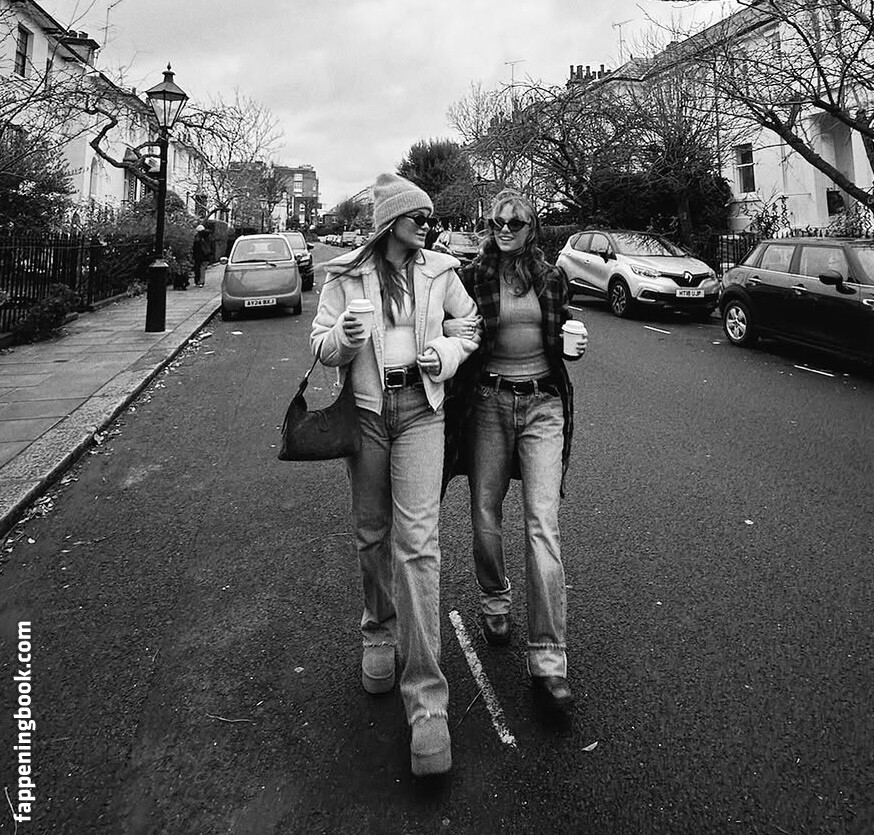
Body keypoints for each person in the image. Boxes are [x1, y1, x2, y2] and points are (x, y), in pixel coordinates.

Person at [310, 173, 480, 776]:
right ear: (391, 223)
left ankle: (427, 701)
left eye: (430, 217)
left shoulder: (441, 271)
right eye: (419, 217)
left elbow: (469, 324)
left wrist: (449, 354)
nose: (428, 225)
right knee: (371, 532)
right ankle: (378, 631)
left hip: (422, 412)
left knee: (419, 545)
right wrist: (343, 337)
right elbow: (320, 347)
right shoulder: (346, 275)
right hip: (365, 414)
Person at [443, 189, 586, 717]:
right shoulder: (472, 276)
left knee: (542, 524)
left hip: (543, 404)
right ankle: (494, 598)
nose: (504, 229)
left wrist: (575, 343)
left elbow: (563, 328)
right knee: (485, 511)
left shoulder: (551, 278)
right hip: (488, 402)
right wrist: (450, 331)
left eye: (515, 223)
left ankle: (548, 660)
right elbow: (451, 326)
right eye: (497, 222)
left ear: (532, 228)